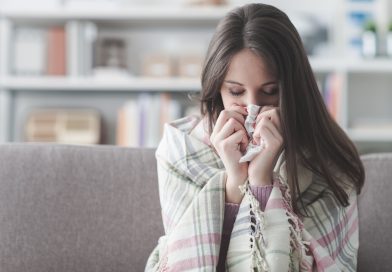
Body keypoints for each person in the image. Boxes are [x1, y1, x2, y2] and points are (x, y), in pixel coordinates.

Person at [145, 3, 364, 271]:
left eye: (270, 91)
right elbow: (190, 259)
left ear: (293, 89)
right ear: (217, 89)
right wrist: (234, 182)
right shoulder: (182, 148)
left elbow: (325, 264)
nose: (253, 108)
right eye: (236, 92)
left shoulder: (326, 158)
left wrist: (262, 180)